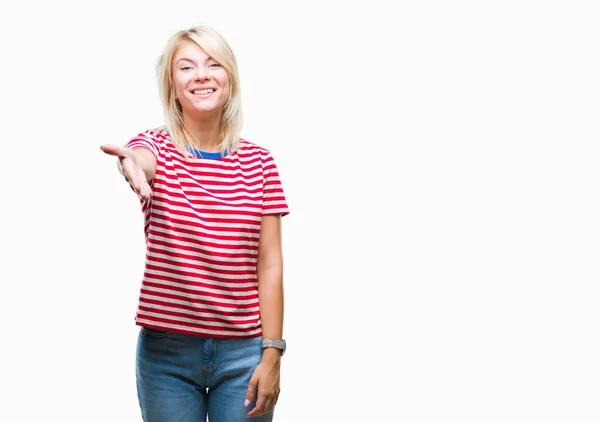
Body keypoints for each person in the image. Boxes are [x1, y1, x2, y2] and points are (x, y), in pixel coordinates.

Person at [100, 25, 289, 422]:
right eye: (186, 67)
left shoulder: (260, 164)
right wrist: (132, 165)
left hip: (244, 355)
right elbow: (141, 157)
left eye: (213, 63)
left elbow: (269, 264)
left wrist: (272, 354)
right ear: (172, 88)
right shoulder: (157, 147)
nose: (201, 74)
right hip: (165, 357)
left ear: (229, 80)